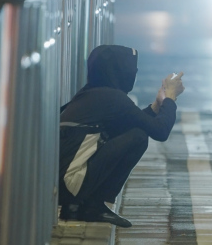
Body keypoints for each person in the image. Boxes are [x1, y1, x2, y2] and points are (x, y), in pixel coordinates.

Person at [58, 45, 185, 227]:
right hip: (71, 184)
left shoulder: (93, 94)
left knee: (133, 132)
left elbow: (130, 122)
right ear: (118, 71)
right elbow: (160, 131)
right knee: (138, 137)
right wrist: (170, 98)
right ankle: (93, 206)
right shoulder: (113, 98)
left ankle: (83, 206)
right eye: (131, 70)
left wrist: (158, 105)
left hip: (63, 186)